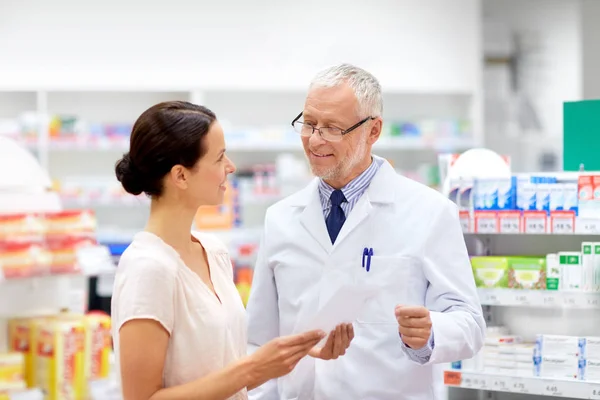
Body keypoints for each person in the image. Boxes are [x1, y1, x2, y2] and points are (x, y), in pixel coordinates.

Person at [245, 64, 486, 399]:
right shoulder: (280, 218)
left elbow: (470, 323)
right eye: (309, 123)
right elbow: (259, 339)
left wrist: (430, 333)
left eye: (331, 128)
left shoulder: (430, 212)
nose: (315, 140)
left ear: (373, 131)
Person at [111, 101, 353, 400]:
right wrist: (252, 369)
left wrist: (292, 354)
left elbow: (218, 371)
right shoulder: (148, 268)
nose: (231, 167)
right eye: (219, 157)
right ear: (181, 176)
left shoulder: (213, 252)